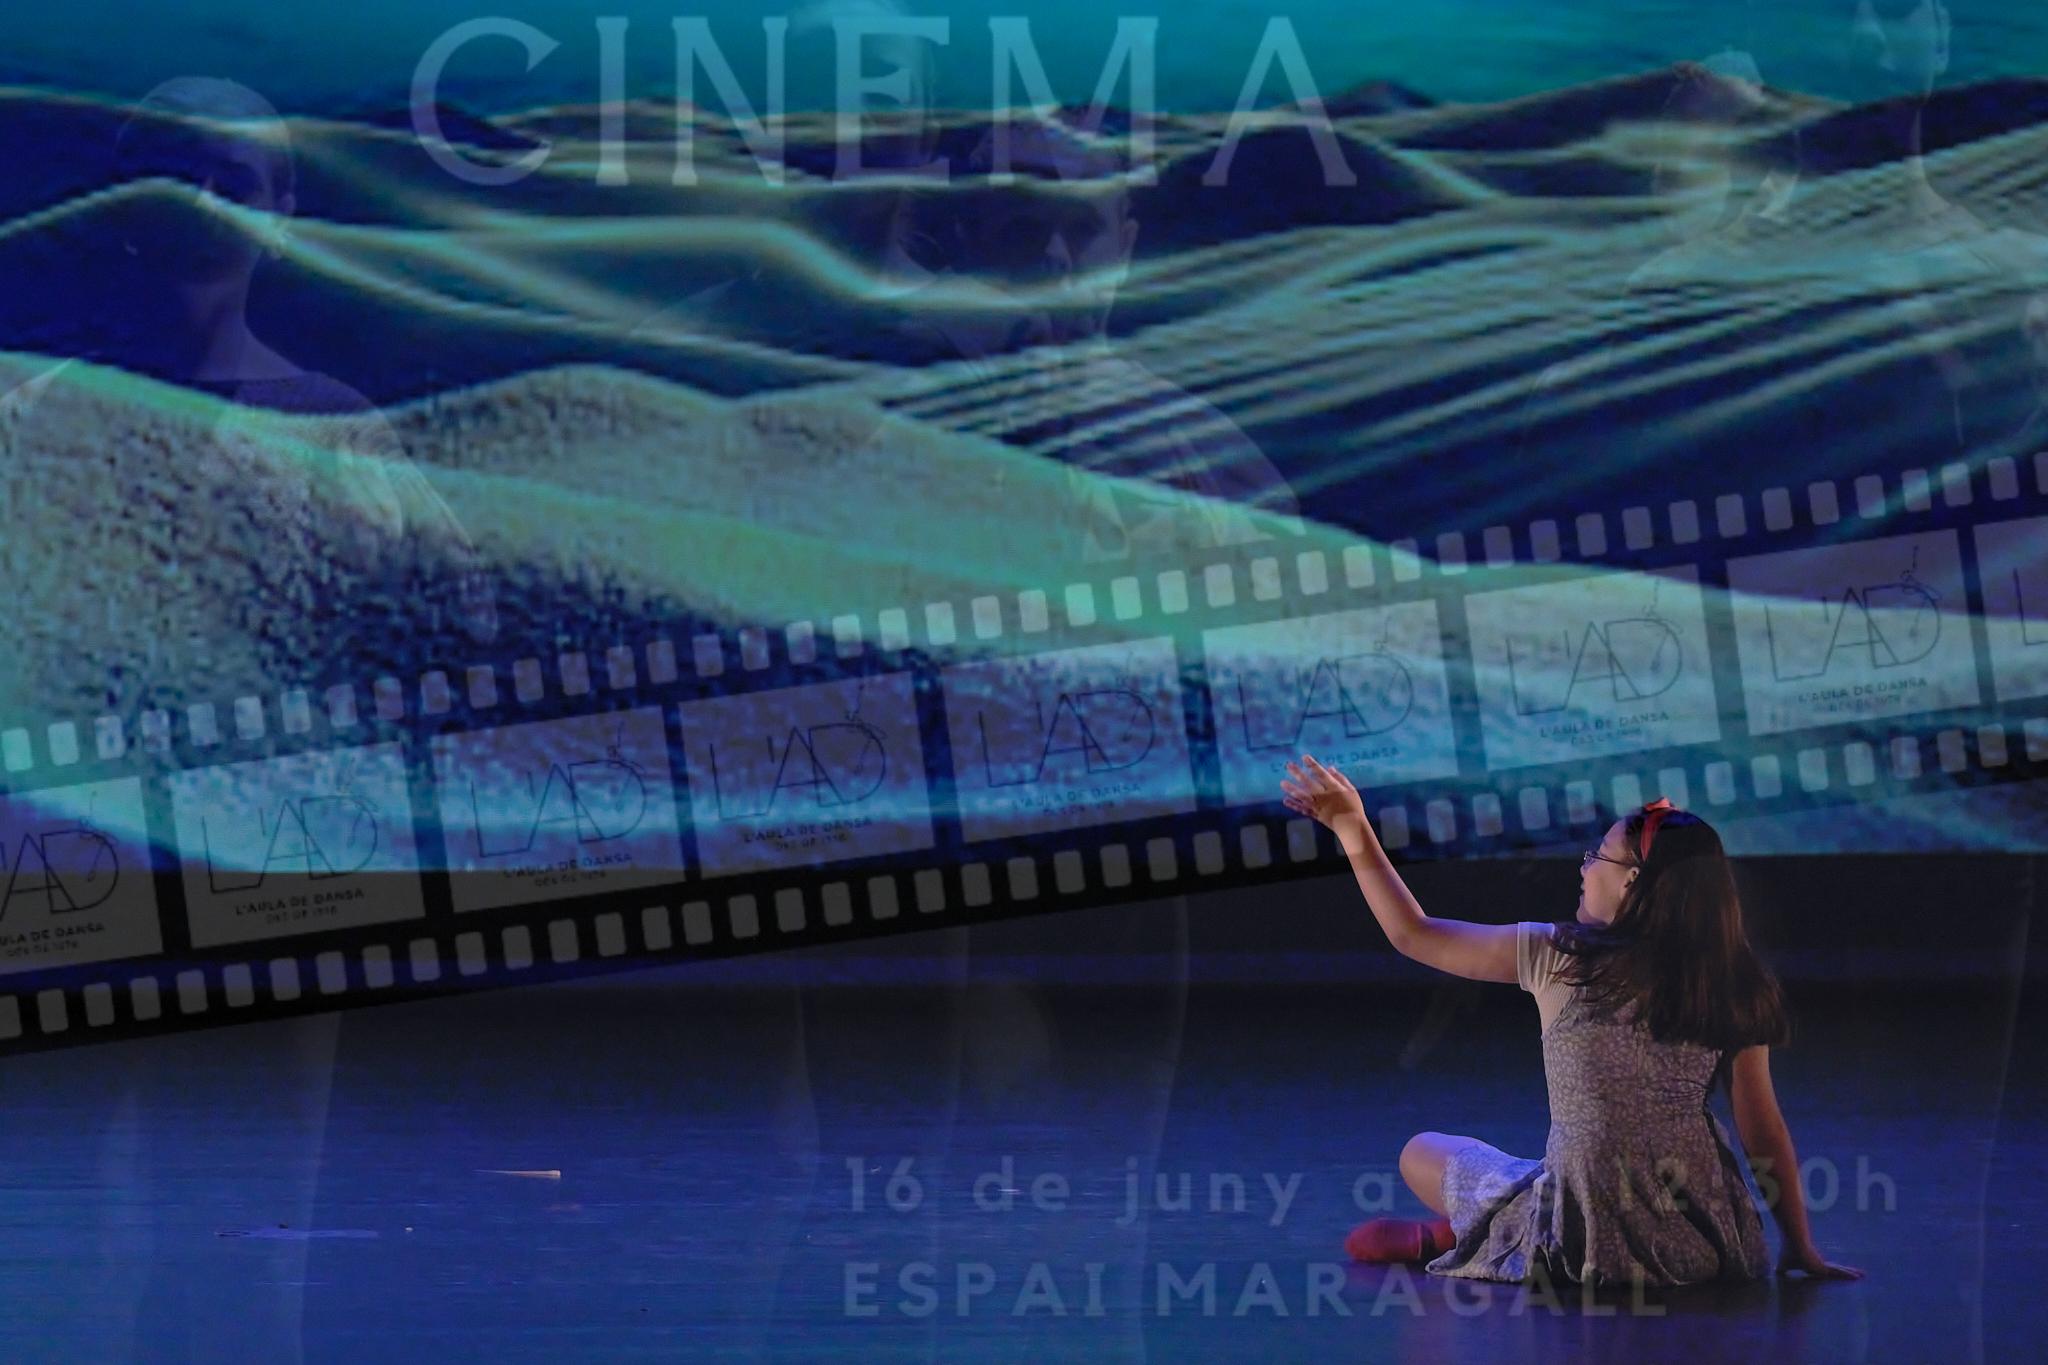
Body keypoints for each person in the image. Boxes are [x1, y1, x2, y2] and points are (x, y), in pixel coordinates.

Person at [1279, 756, 1865, 1289]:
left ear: (1631, 881)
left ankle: (1475, 1229)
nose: (1584, 869)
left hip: (1585, 1243)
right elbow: (1761, 1127)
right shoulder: (1731, 978)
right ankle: (1489, 1218)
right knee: (1567, 1169)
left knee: (1421, 1152)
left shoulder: (1561, 957)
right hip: (1705, 1248)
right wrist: (1799, 1244)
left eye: (1597, 857)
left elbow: (1415, 934)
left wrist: (1352, 827)